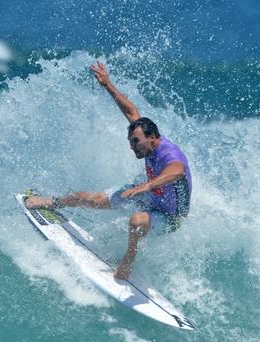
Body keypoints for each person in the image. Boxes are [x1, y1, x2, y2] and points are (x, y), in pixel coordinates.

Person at [25, 61, 192, 280]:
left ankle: (127, 263)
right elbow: (131, 111)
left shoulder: (170, 154)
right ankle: (51, 202)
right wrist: (107, 85)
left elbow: (178, 171)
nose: (132, 146)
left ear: (152, 137)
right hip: (150, 195)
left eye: (135, 141)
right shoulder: (146, 136)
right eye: (130, 141)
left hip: (170, 216)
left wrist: (146, 186)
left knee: (136, 221)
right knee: (87, 198)